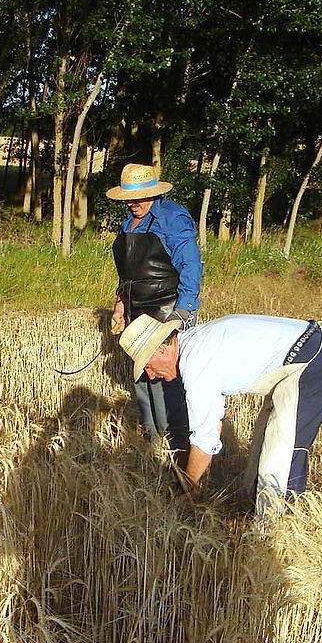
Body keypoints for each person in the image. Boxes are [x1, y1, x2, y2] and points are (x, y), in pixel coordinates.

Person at [119, 312, 322, 519]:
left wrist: (189, 487)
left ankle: (280, 536)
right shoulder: (194, 344)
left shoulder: (196, 362)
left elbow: (205, 438)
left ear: (162, 349)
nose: (149, 374)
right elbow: (212, 423)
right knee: (264, 447)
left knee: (282, 453)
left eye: (148, 365)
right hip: (306, 351)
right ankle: (253, 517)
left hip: (315, 358)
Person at [106, 163, 203, 450]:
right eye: (129, 199)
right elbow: (128, 274)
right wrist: (120, 305)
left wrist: (183, 311)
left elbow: (191, 265)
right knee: (141, 374)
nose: (134, 204)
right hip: (136, 308)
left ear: (154, 193)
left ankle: (178, 441)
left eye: (140, 197)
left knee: (167, 376)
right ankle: (151, 437)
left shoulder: (174, 219)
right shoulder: (128, 223)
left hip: (166, 308)